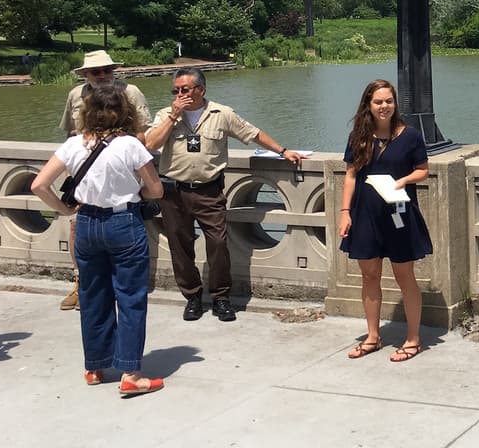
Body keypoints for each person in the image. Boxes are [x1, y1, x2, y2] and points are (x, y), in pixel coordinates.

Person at [31, 83, 166, 396]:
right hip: (123, 221)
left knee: (92, 295)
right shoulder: (130, 145)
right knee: (130, 297)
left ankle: (95, 366)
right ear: (124, 112)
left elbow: (38, 185)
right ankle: (130, 373)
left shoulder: (74, 144)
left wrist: (64, 209)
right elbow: (156, 190)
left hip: (87, 223)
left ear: (87, 112)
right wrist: (135, 189)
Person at [143, 67, 303, 322]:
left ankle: (221, 298)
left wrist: (283, 151)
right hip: (174, 191)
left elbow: (253, 133)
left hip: (209, 190)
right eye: (175, 91)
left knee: (218, 243)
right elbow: (150, 144)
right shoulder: (165, 114)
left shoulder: (221, 113)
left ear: (200, 89)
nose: (179, 95)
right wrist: (173, 116)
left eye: (184, 90)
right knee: (180, 247)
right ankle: (192, 297)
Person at [339, 79, 433, 362]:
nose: (384, 106)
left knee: (405, 276)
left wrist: (404, 179)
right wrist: (345, 212)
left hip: (399, 214)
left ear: (395, 104)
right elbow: (351, 175)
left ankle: (413, 340)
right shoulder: (359, 136)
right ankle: (373, 337)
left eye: (389, 101)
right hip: (365, 214)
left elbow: (423, 170)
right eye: (378, 102)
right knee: (369, 275)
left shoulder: (411, 136)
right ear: (368, 105)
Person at [56, 50, 152, 311]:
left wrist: (120, 147)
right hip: (85, 174)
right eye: (96, 71)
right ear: (86, 74)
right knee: (77, 226)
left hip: (120, 170)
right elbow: (70, 134)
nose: (102, 76)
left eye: (107, 70)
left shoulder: (131, 92)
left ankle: (122, 286)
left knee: (125, 227)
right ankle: (81, 282)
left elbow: (143, 134)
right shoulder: (76, 95)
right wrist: (70, 174)